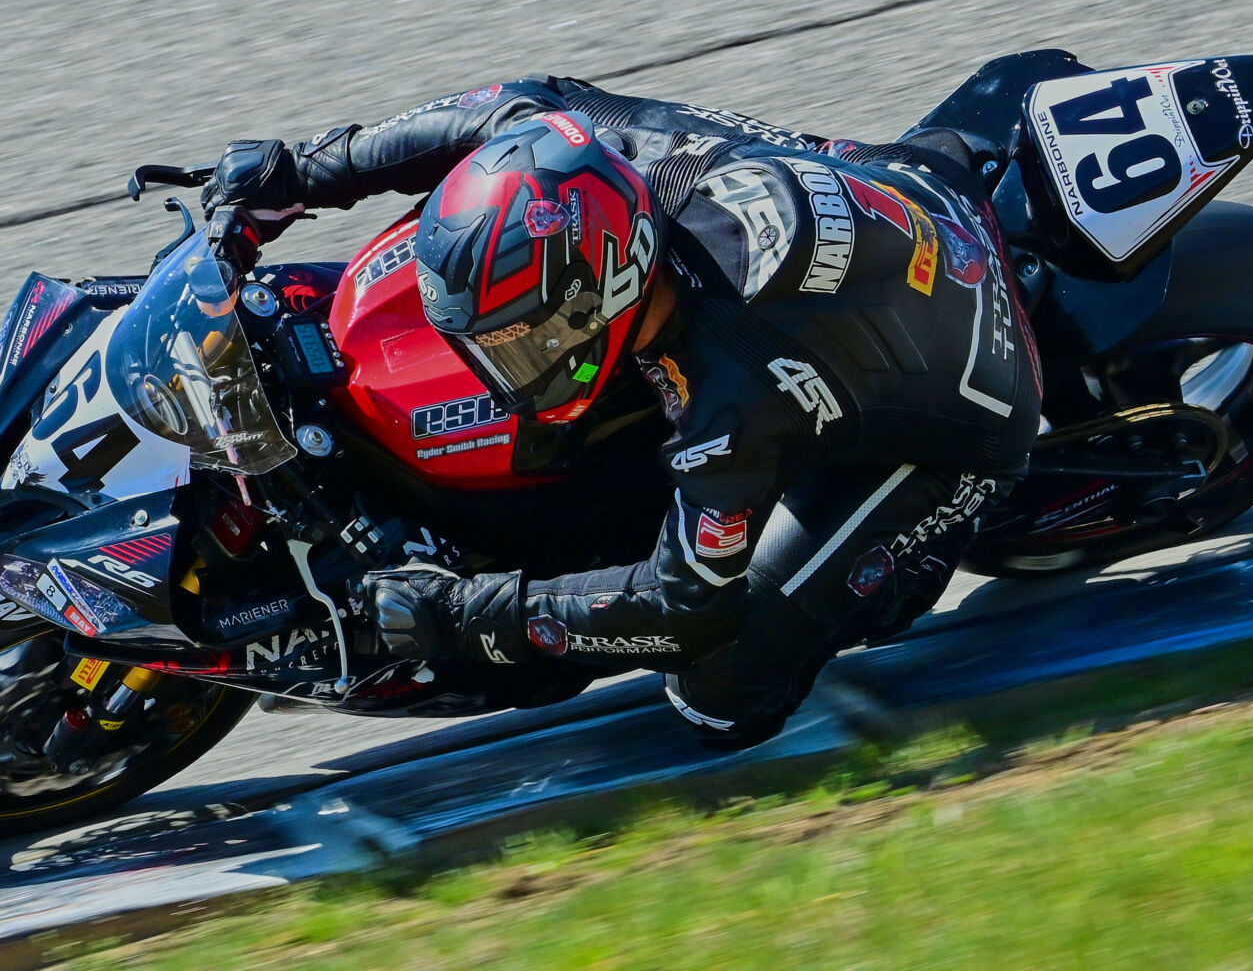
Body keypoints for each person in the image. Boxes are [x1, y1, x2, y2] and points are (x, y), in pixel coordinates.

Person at [200, 75, 1042, 748]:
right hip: (910, 192)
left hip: (967, 402)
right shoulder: (600, 152)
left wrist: (457, 614)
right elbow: (500, 108)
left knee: (720, 691)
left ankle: (897, 570)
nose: (500, 372)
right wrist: (304, 172)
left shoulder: (732, 397)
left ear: (600, 290)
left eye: (518, 342)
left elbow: (683, 606)